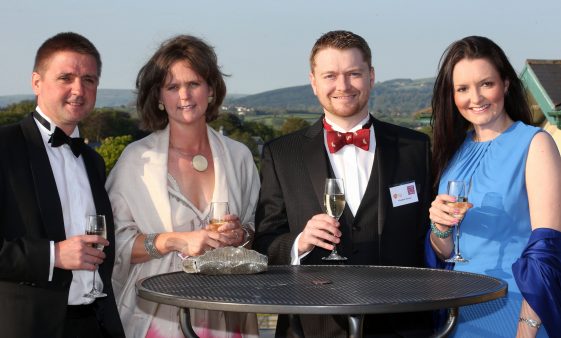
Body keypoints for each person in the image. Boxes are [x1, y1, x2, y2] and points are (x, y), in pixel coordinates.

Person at [253, 30, 433, 337]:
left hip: (402, 323)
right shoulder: (281, 153)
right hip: (311, 326)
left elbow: (428, 237)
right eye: (330, 75)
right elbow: (263, 243)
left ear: (371, 76)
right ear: (313, 81)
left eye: (354, 74)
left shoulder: (416, 148)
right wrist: (300, 242)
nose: (343, 86)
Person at [106, 35, 260, 338]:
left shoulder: (240, 157)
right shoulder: (136, 161)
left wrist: (241, 234)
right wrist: (176, 241)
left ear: (211, 90)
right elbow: (114, 244)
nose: (185, 96)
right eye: (173, 87)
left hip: (227, 315)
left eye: (194, 83)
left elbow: (254, 232)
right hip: (157, 315)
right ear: (160, 97)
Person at [428, 36, 561, 337]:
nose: (475, 98)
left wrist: (526, 328)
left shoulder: (535, 144)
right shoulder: (454, 150)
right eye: (462, 89)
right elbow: (447, 251)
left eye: (486, 83)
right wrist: (439, 227)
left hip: (516, 309)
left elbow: (547, 249)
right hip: (459, 311)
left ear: (506, 84)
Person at [0, 32, 125, 337]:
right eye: (65, 77)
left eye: (89, 79)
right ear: (36, 82)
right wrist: (54, 255)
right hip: (28, 327)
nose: (78, 89)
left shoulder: (93, 161)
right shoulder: (4, 147)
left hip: (95, 323)